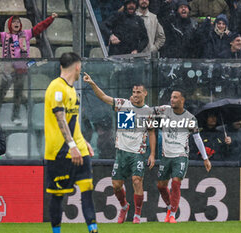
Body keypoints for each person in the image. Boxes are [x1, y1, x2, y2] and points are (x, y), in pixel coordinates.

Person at [83, 75, 156, 224]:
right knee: (116, 185)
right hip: (122, 152)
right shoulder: (123, 104)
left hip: (138, 153)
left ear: (145, 94)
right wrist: (92, 83)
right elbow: (103, 97)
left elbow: (152, 132)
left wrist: (153, 154)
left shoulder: (148, 112)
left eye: (139, 92)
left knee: (137, 181)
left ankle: (137, 215)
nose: (135, 95)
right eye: (134, 92)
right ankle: (124, 207)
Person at [44, 53, 98, 233]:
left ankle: (93, 229)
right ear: (77, 66)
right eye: (80, 66)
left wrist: (83, 141)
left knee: (87, 189)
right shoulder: (56, 88)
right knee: (58, 196)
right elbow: (60, 118)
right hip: (59, 152)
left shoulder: (73, 90)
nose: (80, 70)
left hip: (78, 148)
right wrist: (72, 146)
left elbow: (71, 122)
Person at [0, 13, 58, 125]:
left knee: (18, 94)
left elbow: (40, 27)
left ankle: (15, 116)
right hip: (8, 70)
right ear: (10, 24)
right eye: (14, 22)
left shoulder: (26, 34)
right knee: (1, 93)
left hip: (21, 71)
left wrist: (51, 19)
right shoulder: (5, 36)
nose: (16, 23)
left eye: (18, 22)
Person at [155, 89, 212, 223]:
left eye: (175, 97)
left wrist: (205, 158)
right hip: (166, 155)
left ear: (182, 100)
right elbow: (150, 111)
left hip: (180, 155)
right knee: (161, 186)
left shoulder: (190, 118)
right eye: (171, 97)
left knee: (176, 183)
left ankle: (173, 215)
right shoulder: (164, 110)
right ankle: (170, 207)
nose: (172, 100)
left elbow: (197, 138)